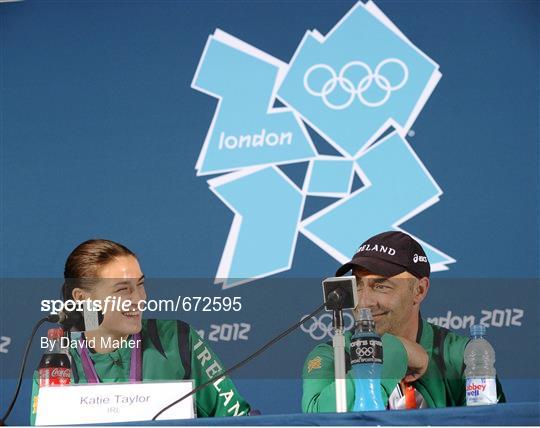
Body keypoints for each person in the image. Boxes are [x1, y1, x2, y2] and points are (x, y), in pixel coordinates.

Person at [30, 239, 251, 424]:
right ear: (82, 298)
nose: (140, 298)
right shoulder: (57, 367)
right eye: (123, 289)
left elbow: (239, 420)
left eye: (140, 284)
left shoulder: (178, 339)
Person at [302, 231, 505, 411]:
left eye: (381, 286)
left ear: (419, 290)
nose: (363, 302)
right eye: (358, 286)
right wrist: (397, 351)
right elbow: (318, 419)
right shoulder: (333, 355)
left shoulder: (461, 355)